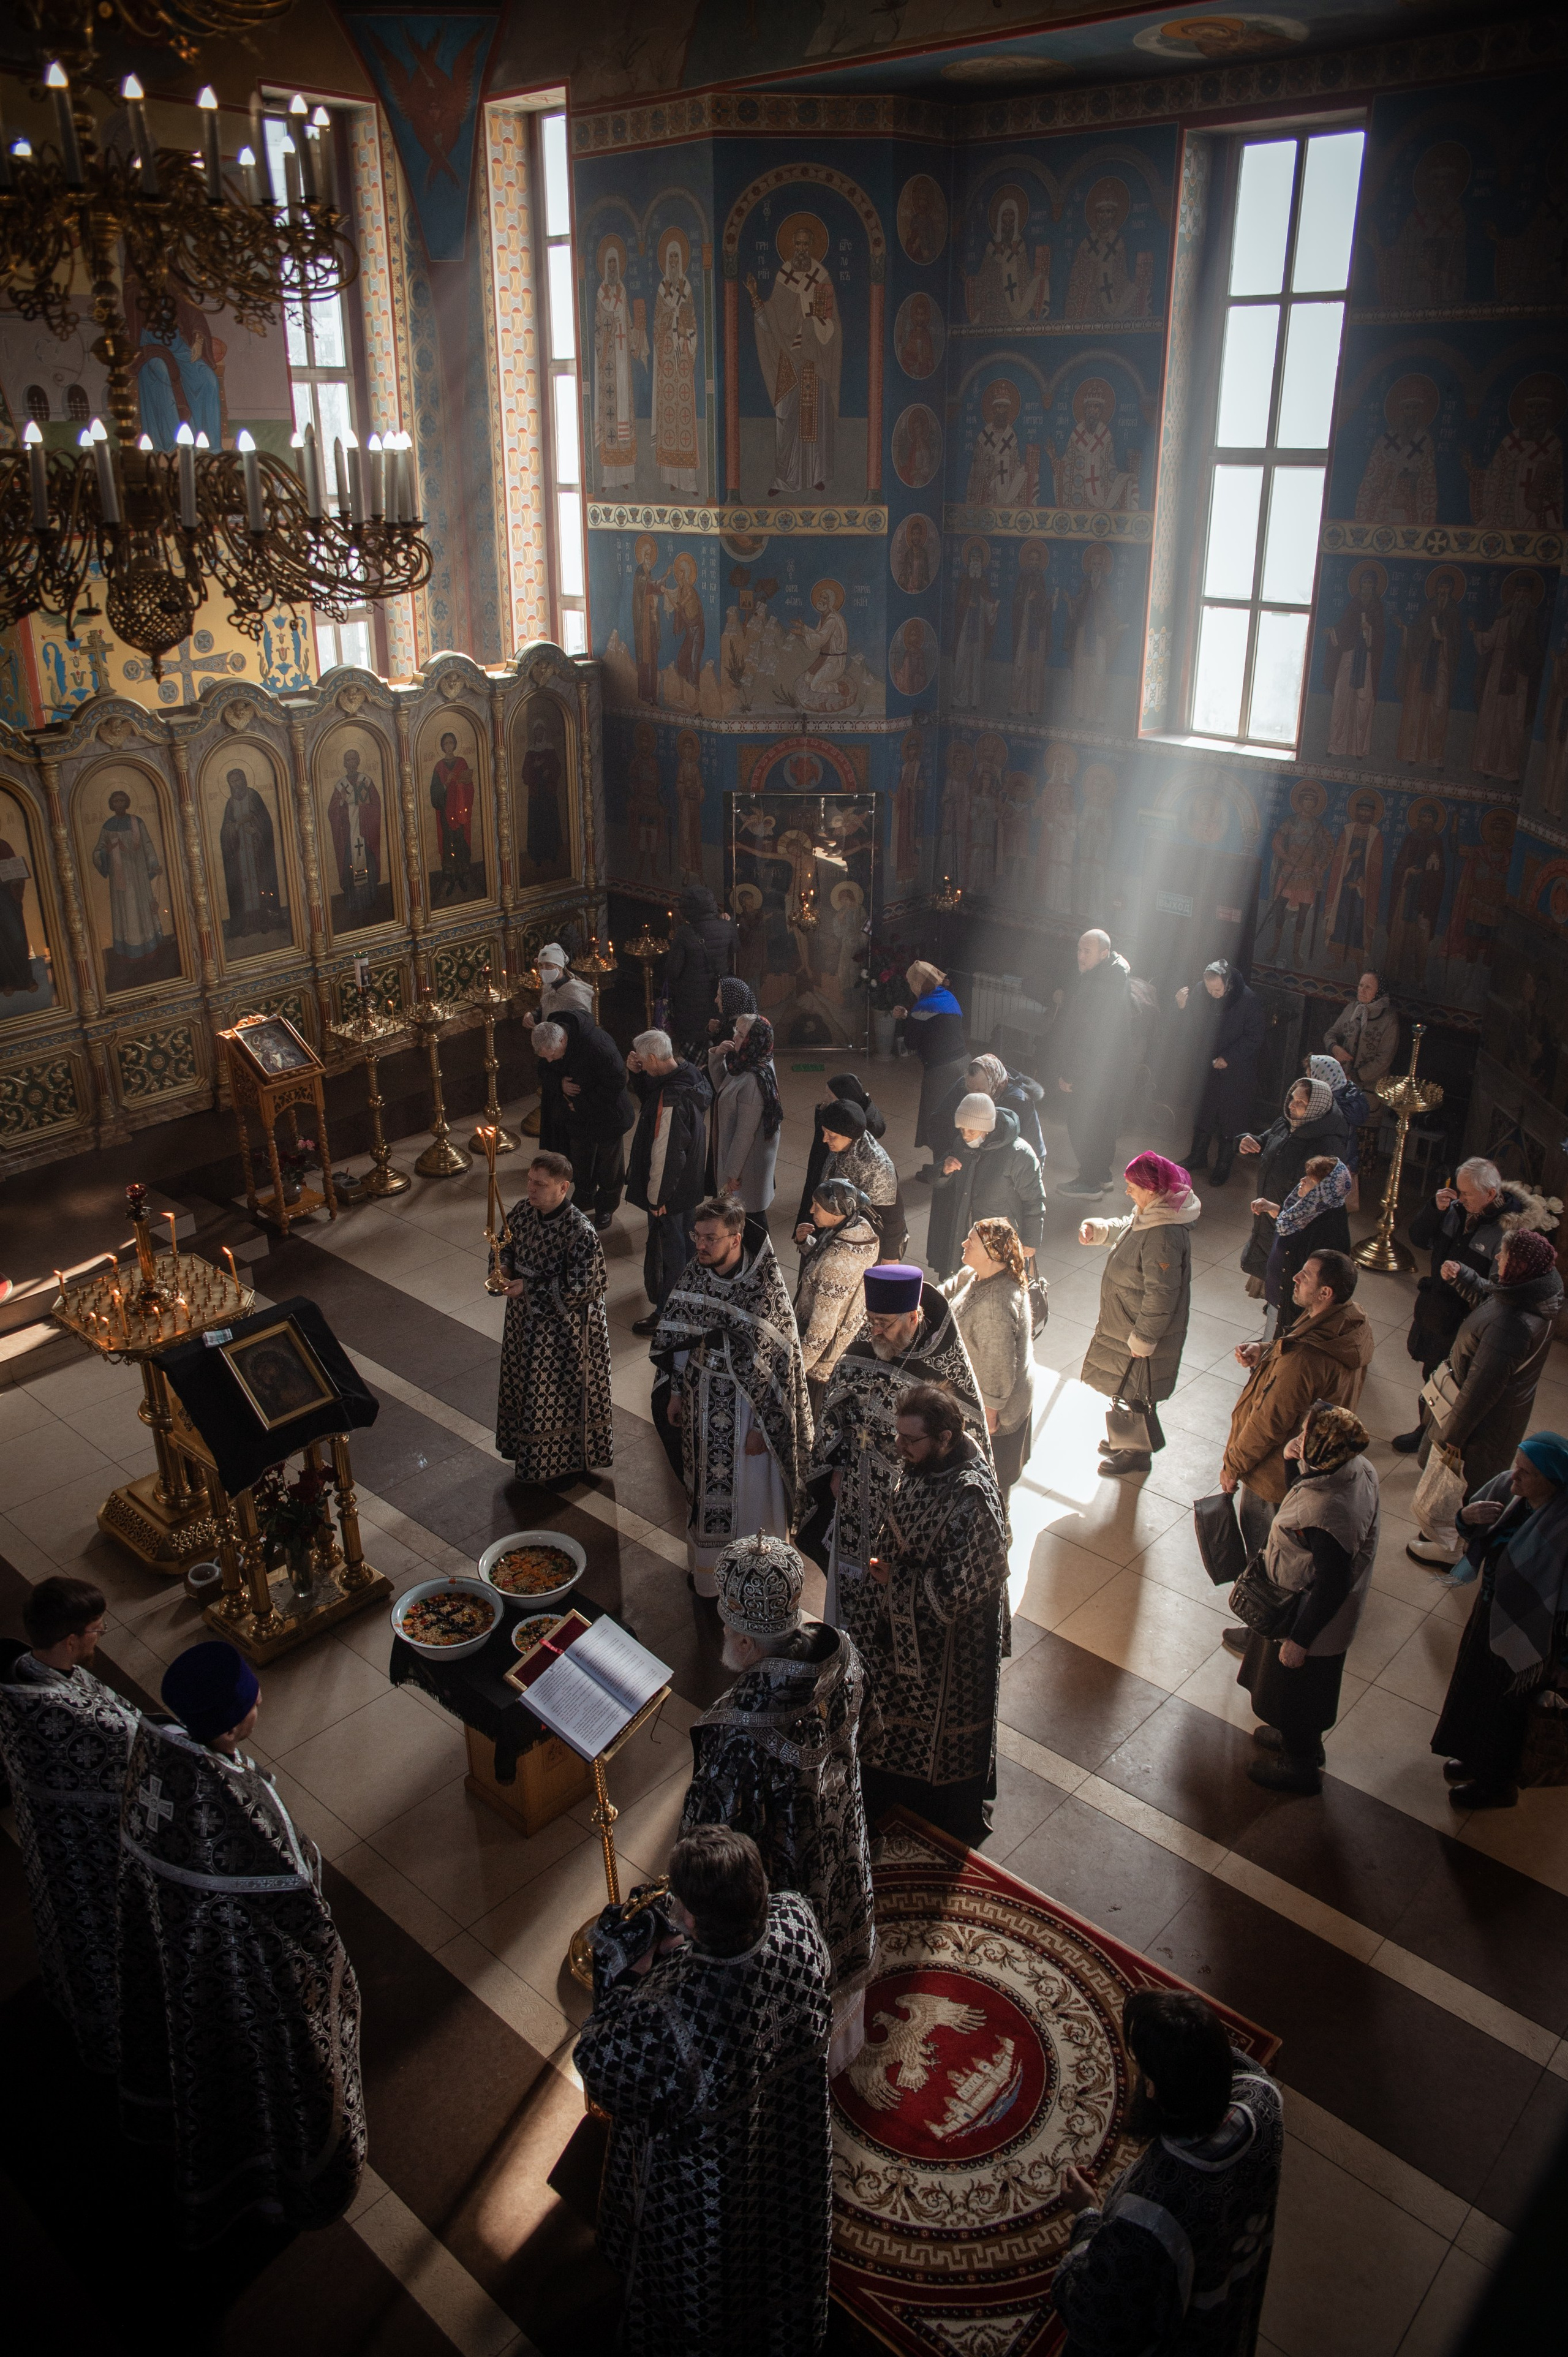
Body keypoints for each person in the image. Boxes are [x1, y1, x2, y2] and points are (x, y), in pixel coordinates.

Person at [118, 1642, 364, 2242]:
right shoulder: (239, 1810)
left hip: (179, 1957)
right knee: (264, 2072)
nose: (262, 1699)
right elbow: (301, 1899)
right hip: (242, 1973)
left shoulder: (156, 1757)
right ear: (231, 1725)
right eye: (253, 1697)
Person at [574, 1827, 832, 2357]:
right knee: (784, 2248)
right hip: (791, 2141)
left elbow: (599, 2065)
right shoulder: (797, 1922)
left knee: (712, 2285)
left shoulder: (668, 2010)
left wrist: (629, 1977)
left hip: (708, 2189)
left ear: (691, 1919)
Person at [679, 1533, 876, 2073]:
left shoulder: (738, 1730)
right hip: (845, 1858)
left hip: (788, 1905)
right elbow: (869, 1733)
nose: (724, 1632)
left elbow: (711, 1842)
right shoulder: (844, 1658)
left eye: (729, 1625)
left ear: (744, 1643)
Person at [1054, 1991, 1283, 2357]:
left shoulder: (1151, 2211)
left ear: (1152, 2088)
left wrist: (1087, 2213)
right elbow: (1223, 2061)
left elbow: (1092, 2314)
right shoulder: (1263, 2099)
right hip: (1229, 2314)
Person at [858, 1384, 1012, 1846]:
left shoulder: (973, 1500)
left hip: (951, 1655)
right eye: (898, 1436)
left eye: (910, 1440)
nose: (899, 1448)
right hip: (904, 1636)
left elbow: (959, 1592)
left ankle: (932, 1810)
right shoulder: (928, 1461)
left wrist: (898, 1581)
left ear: (945, 1438)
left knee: (935, 1743)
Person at [803, 1262, 989, 1639]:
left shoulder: (945, 1370)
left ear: (914, 1317)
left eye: (885, 1324)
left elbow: (966, 1445)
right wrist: (837, 1466)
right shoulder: (866, 1344)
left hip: (913, 1502)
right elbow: (836, 1410)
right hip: (855, 1489)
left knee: (892, 1583)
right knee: (850, 1580)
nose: (875, 1331)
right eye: (871, 1320)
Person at [0, 1576, 138, 2073]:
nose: (100, 1636)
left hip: (47, 1846)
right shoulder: (76, 1719)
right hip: (90, 1853)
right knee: (104, 1939)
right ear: (70, 1639)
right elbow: (135, 1750)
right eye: (97, 1629)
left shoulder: (18, 1676)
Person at [651, 1194, 813, 1596]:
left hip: (747, 1413)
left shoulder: (764, 1286)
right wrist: (675, 1393)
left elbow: (779, 1363)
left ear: (736, 1239)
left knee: (751, 1495)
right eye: (697, 1236)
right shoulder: (697, 1272)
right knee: (704, 1488)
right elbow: (681, 1338)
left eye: (710, 1238)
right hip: (701, 1404)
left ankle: (753, 1574)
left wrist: (762, 1427)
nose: (701, 1245)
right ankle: (709, 1574)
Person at [1226, 1405, 1379, 1793]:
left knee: (1296, 1693)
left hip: (1310, 1616)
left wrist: (1300, 1640)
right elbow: (1302, 1500)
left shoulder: (1329, 1512)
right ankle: (1305, 1745)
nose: (1301, 1434)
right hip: (1310, 1608)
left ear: (1323, 1446)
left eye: (1308, 1433)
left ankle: (1299, 1767)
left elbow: (1331, 1584)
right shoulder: (1355, 1469)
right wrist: (1291, 1460)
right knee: (1304, 1693)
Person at [1408, 1230, 1564, 1565]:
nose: (1497, 1258)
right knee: (1463, 1481)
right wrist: (1465, 1277)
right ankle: (1445, 1535)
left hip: (1480, 1425)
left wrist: (1452, 1438)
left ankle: (1451, 1550)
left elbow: (1480, 1391)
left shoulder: (1512, 1325)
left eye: (1504, 1255)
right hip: (1494, 1417)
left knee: (1461, 1483)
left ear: (1519, 1266)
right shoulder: (1532, 1293)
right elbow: (1492, 1303)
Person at [1431, 1435, 1568, 1811]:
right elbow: (1468, 1530)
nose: (1514, 1477)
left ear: (1552, 1481)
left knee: (1507, 1712)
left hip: (1538, 1634)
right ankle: (1474, 1757)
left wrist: (1564, 1666)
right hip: (1492, 1613)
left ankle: (1497, 1785)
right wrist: (1466, 1518)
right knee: (1476, 1690)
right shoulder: (1510, 1491)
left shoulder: (1562, 1526)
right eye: (1517, 1466)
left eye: (1527, 1473)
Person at [1220, 1250, 1374, 1556]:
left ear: (1325, 1293)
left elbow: (1268, 1423)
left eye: (1306, 1276)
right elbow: (1307, 1355)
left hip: (1273, 1476)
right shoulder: (1351, 1321)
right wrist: (1267, 1350)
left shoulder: (1304, 1360)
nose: (1295, 1278)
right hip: (1313, 1463)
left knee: (1264, 1555)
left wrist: (1232, 1466)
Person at [1395, 1158, 1540, 1450]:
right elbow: (1418, 1238)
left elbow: (1500, 1291)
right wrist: (1434, 1210)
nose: (1459, 1199)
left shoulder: (1508, 1233)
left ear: (1490, 1194)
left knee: (1453, 1385)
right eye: (1458, 1191)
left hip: (1467, 1323)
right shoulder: (1456, 1210)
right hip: (1437, 1311)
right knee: (1432, 1374)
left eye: (1466, 1194)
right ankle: (1426, 1430)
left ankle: (1438, 1440)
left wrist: (1464, 1276)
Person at [1077, 1153, 1200, 1477]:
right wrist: (1100, 1230)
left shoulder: (1164, 1236)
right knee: (1130, 1385)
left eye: (1133, 1186)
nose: (1128, 1191)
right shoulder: (1155, 1212)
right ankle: (1127, 1440)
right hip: (1129, 1319)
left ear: (1152, 1189)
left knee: (1139, 1392)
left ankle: (1137, 1454)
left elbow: (1162, 1295)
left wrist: (1144, 1338)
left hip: (1140, 1326)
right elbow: (1130, 1227)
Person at [495, 1151, 612, 1489]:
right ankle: (526, 1453)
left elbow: (585, 1286)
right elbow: (503, 1244)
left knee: (558, 1397)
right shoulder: (522, 1211)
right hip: (523, 1323)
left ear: (563, 1188)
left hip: (566, 1334)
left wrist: (530, 1289)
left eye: (541, 1184)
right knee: (524, 1387)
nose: (531, 1189)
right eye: (530, 1181)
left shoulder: (580, 1231)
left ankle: (566, 1464)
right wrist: (503, 1266)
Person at [940, 1217, 1036, 1496]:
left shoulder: (994, 1308)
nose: (964, 1243)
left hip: (997, 1415)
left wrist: (990, 1415)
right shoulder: (978, 1274)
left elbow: (998, 1369)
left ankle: (999, 1518)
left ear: (992, 1253)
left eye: (971, 1241)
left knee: (992, 1482)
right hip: (992, 1398)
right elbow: (945, 1293)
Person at [625, 1028, 712, 1334]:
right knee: (688, 1248)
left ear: (653, 1058)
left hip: (669, 1194)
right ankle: (691, 1300)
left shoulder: (672, 1100)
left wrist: (657, 1199)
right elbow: (654, 1096)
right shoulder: (689, 1074)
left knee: (669, 1254)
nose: (642, 1065)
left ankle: (668, 1314)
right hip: (687, 1187)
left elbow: (666, 1155)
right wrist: (638, 1076)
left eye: (643, 1062)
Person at [1237, 1076, 1348, 1299]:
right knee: (1272, 1280)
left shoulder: (1328, 1143)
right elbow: (1266, 1143)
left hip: (1295, 1226)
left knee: (1288, 1288)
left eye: (1301, 1103)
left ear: (1316, 1107)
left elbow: (1320, 1196)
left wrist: (1284, 1211)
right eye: (1292, 1099)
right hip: (1273, 1216)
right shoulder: (1286, 1123)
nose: (1291, 1106)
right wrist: (1247, 1141)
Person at [530, 1011, 633, 1232]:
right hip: (576, 1116)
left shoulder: (597, 1045)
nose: (550, 1060)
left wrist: (583, 1103)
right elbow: (544, 1070)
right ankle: (585, 1196)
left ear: (563, 1040)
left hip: (607, 1115)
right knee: (580, 1158)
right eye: (545, 1056)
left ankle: (606, 1206)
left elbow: (617, 1081)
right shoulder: (550, 1042)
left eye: (552, 1055)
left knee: (609, 1164)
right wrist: (559, 1083)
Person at [927, 1092, 1046, 1281]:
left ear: (987, 1129)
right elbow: (938, 1180)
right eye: (962, 1130)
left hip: (1000, 1240)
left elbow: (1034, 1200)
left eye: (972, 1131)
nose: (966, 1136)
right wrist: (944, 1170)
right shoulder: (961, 1145)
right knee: (964, 1283)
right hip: (968, 1233)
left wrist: (1030, 1242)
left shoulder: (1020, 1154)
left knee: (997, 1287)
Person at [1056, 929, 1135, 1197]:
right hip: (1112, 1069)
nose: (1080, 956)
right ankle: (1101, 1175)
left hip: (1095, 1070)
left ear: (1104, 953)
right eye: (1079, 949)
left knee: (1081, 1123)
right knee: (1103, 1124)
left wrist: (1070, 1074)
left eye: (1086, 951)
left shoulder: (1100, 985)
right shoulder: (1114, 974)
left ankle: (1089, 1182)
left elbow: (1087, 1037)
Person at [794, 1177, 882, 1415]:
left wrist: (794, 1370)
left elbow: (822, 1331)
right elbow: (825, 1261)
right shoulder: (858, 1228)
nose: (811, 1210)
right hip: (846, 1337)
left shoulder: (837, 1264)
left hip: (819, 1365)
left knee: (807, 1417)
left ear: (836, 1212)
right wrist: (805, 1243)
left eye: (818, 1206)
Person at [1176, 960, 1264, 1186]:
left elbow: (1254, 1037)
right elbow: (1192, 1027)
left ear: (1228, 984)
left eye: (1217, 990)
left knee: (1230, 1117)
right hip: (1206, 1064)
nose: (1213, 994)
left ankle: (1224, 1164)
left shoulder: (1247, 1000)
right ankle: (1198, 1156)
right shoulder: (1200, 991)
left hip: (1236, 1070)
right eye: (1209, 989)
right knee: (1204, 1110)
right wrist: (1183, 1008)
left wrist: (1229, 1058)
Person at [794, 1096, 906, 1262]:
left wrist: (890, 1258)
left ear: (849, 1136)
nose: (825, 1139)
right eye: (824, 1132)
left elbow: (894, 1217)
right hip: (838, 1237)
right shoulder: (841, 1151)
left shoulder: (877, 1167)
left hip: (863, 1246)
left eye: (831, 1135)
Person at [706, 1011, 782, 1219]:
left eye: (741, 1035)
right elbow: (724, 1090)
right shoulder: (751, 1060)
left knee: (751, 1219)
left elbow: (745, 1134)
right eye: (736, 1031)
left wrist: (732, 1174)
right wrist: (718, 1055)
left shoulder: (753, 1079)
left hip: (747, 1166)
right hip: (743, 1159)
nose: (735, 1038)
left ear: (753, 1040)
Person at [1264, 1155, 1352, 1329]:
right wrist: (1276, 1210)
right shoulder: (1310, 1209)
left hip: (1295, 1307)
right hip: (1281, 1298)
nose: (1302, 1181)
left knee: (1279, 1342)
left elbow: (1320, 1278)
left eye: (1310, 1180)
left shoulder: (1329, 1229)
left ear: (1323, 1191)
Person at [892, 960, 968, 1160]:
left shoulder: (923, 1006)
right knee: (957, 1119)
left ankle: (940, 1169)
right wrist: (909, 1017)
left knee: (938, 1122)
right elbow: (935, 1024)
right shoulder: (948, 997)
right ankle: (956, 1167)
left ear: (917, 984)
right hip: (963, 1064)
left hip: (941, 1072)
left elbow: (911, 1043)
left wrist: (906, 1021)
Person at [524, 943, 594, 1152]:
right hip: (551, 1054)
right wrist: (534, 1015)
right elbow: (547, 1006)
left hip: (569, 1057)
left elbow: (581, 1023)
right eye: (541, 965)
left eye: (549, 966)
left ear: (560, 967)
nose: (545, 969)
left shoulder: (574, 991)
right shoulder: (550, 986)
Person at [665, 884, 736, 1057]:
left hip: (690, 1002)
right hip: (719, 996)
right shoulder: (727, 926)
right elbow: (735, 952)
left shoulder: (684, 933)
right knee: (718, 1042)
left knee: (694, 1050)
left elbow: (672, 971)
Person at [1324, 970, 1399, 1090]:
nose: (1362, 990)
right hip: (1341, 1080)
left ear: (1379, 991)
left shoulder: (1388, 1019)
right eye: (1361, 985)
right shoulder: (1351, 1009)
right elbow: (1330, 1034)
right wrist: (1335, 1048)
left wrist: (1355, 1077)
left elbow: (1384, 1059)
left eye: (1368, 987)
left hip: (1370, 1087)